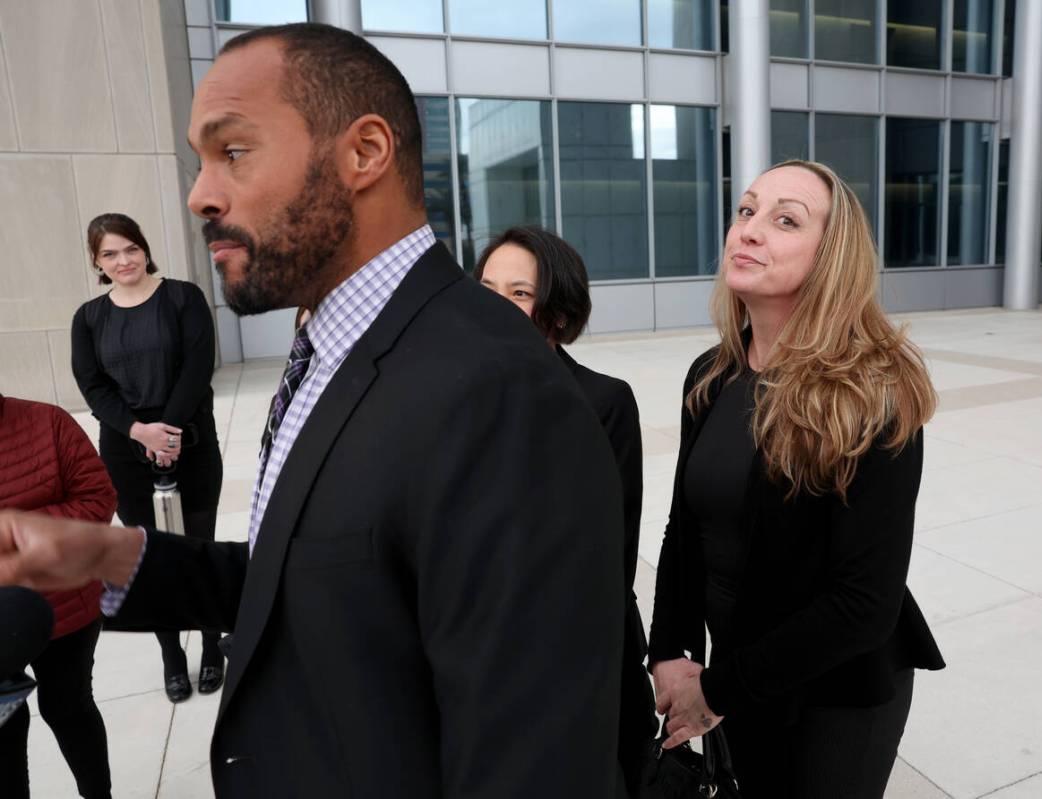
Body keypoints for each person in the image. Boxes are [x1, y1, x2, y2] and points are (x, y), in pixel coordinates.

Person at [0, 23, 627, 799]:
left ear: (363, 153)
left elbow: (534, 765)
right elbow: (309, 579)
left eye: (232, 152)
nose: (199, 193)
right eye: (200, 160)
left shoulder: (500, 391)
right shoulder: (332, 345)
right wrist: (99, 558)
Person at [648, 160, 945, 797]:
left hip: (838, 689)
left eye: (786, 220)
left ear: (831, 258)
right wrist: (668, 648)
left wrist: (716, 691)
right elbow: (686, 526)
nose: (749, 230)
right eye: (747, 211)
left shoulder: (875, 392)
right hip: (743, 674)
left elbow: (863, 606)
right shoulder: (712, 374)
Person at [475, 227, 658, 795]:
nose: (495, 305)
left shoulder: (603, 402)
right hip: (480, 656)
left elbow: (610, 560)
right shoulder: (446, 400)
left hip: (577, 657)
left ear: (557, 312)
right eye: (485, 288)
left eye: (520, 292)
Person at [70, 213, 225, 703]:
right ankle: (171, 656)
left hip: (190, 438)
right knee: (149, 556)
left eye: (130, 249)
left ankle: (211, 645)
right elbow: (93, 387)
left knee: (198, 548)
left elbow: (198, 366)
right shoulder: (89, 318)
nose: (123, 261)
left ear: (144, 248)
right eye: (110, 254)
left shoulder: (183, 297)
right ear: (97, 262)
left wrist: (168, 430)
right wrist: (139, 431)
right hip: (124, 447)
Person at [0, 393, 116, 798]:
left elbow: (98, 501)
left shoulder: (47, 422)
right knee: (5, 726)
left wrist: (16, 535)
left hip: (64, 606)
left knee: (68, 706)